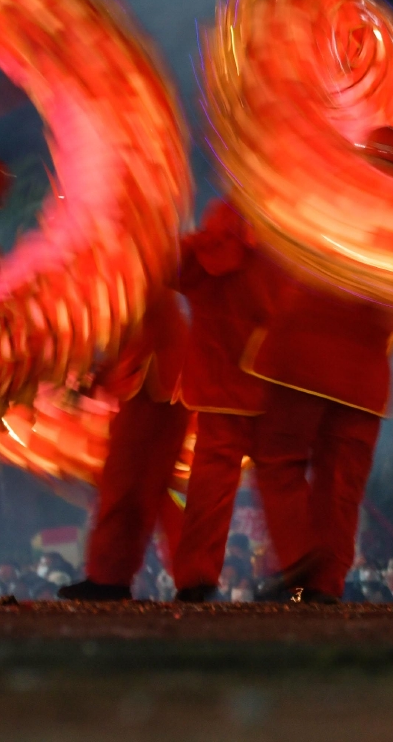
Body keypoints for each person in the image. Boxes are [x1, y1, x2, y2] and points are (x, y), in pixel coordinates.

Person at [244, 127, 393, 605]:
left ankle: (298, 557)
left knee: (278, 461)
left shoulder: (324, 201)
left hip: (301, 358)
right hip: (364, 377)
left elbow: (270, 255)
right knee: (342, 485)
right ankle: (324, 585)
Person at [164, 199, 280, 601]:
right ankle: (302, 577)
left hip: (215, 393)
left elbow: (164, 266)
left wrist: (199, 240)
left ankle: (196, 578)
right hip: (264, 390)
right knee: (284, 488)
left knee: (208, 496)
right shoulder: (267, 261)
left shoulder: (198, 260)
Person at [58, 284, 192, 600]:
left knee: (125, 487)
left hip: (149, 384)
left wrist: (94, 378)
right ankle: (185, 576)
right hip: (159, 384)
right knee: (147, 492)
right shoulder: (139, 278)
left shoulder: (135, 273)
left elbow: (127, 331)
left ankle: (109, 578)